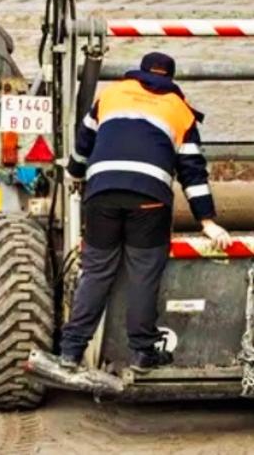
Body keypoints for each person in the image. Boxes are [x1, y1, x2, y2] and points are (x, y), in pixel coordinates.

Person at [59, 51, 232, 373]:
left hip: (102, 195)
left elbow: (83, 146)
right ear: (170, 79)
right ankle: (142, 352)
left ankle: (69, 352)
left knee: (96, 272)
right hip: (149, 200)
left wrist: (76, 176)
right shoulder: (180, 111)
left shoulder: (109, 96)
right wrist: (207, 221)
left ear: (138, 73)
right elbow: (193, 173)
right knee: (143, 274)